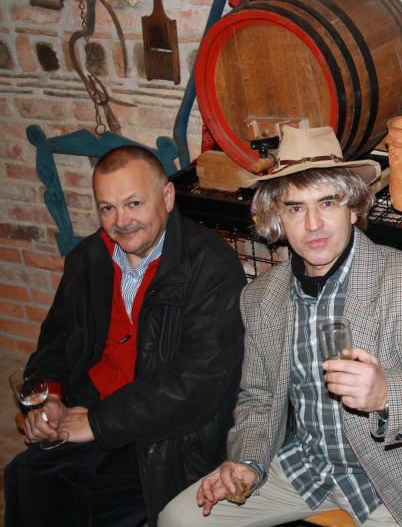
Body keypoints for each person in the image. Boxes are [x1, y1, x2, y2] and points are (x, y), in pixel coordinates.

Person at [160, 125, 402, 527]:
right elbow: (258, 398)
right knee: (176, 519)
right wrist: (248, 462)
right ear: (277, 217)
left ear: (354, 208)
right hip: (305, 468)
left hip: (392, 482)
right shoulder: (261, 299)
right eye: (295, 208)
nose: (312, 224)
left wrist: (386, 394)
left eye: (327, 202)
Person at [4, 145, 247, 527]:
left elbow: (195, 384)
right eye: (107, 208)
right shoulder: (89, 257)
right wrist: (50, 397)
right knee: (27, 475)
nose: (121, 221)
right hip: (94, 407)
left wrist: (98, 423)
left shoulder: (211, 267)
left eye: (134, 203)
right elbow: (60, 339)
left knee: (69, 501)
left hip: (170, 429)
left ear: (167, 197)